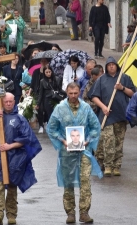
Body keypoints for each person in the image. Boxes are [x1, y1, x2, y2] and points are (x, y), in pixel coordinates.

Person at [0, 93, 42, 225]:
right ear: (2, 102)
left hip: (16, 158)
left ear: (14, 102)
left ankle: (11, 215)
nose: (8, 104)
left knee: (13, 186)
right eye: (6, 101)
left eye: (10, 101)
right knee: (0, 185)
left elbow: (26, 138)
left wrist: (10, 146)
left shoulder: (20, 119)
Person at [47, 82, 102, 224]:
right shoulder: (59, 109)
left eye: (75, 93)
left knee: (85, 182)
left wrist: (88, 140)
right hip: (67, 152)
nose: (73, 96)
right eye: (70, 93)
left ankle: (84, 212)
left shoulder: (86, 108)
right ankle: (70, 212)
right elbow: (51, 128)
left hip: (84, 151)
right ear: (66, 92)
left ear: (79, 92)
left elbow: (95, 126)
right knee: (68, 182)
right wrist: (62, 140)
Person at [90, 56, 135, 176]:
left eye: (113, 64)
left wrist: (122, 88)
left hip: (121, 115)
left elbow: (133, 93)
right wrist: (103, 107)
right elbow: (94, 96)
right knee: (108, 140)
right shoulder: (101, 80)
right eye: (109, 64)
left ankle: (116, 166)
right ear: (106, 67)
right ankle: (108, 165)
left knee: (119, 142)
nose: (111, 66)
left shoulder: (124, 78)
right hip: (106, 116)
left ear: (117, 66)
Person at [28, 58, 49, 133]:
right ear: (40, 62)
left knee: (46, 109)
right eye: (42, 61)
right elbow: (32, 83)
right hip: (37, 93)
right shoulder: (36, 72)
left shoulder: (48, 71)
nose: (43, 62)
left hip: (46, 93)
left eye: (45, 61)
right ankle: (41, 125)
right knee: (39, 109)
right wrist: (30, 92)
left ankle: (45, 121)